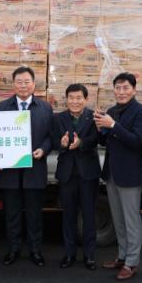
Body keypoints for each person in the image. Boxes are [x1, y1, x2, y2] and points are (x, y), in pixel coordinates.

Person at [94, 72, 142, 281]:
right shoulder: (112, 111)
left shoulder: (141, 112)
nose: (121, 91)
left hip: (130, 174)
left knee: (131, 220)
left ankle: (132, 262)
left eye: (126, 87)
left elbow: (137, 141)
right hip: (111, 173)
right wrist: (100, 128)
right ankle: (122, 256)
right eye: (118, 88)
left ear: (134, 90)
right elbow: (105, 142)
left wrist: (112, 125)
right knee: (118, 219)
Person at [0, 66, 53, 267]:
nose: (23, 85)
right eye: (19, 82)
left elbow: (51, 136)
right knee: (11, 214)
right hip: (9, 172)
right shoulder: (2, 107)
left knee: (34, 214)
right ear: (13, 84)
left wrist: (43, 149)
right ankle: (13, 249)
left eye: (26, 82)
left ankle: (35, 250)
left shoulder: (45, 108)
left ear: (33, 84)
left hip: (34, 169)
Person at [52, 84, 101, 270]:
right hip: (67, 174)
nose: (75, 101)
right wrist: (62, 143)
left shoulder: (94, 117)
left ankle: (89, 255)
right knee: (68, 216)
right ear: (66, 99)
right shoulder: (58, 118)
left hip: (88, 173)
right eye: (71, 98)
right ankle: (69, 254)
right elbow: (54, 140)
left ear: (86, 99)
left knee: (89, 216)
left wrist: (82, 143)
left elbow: (97, 139)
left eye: (79, 98)